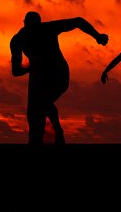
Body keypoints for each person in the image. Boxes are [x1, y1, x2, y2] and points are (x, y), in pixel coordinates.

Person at [10, 11, 108, 145]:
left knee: (42, 103)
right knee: (35, 113)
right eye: (32, 29)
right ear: (25, 25)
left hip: (58, 74)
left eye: (37, 29)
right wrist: (32, 67)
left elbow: (78, 21)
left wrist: (97, 36)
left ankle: (56, 131)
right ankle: (39, 136)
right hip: (39, 76)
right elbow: (16, 71)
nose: (35, 33)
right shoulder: (18, 40)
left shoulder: (48, 28)